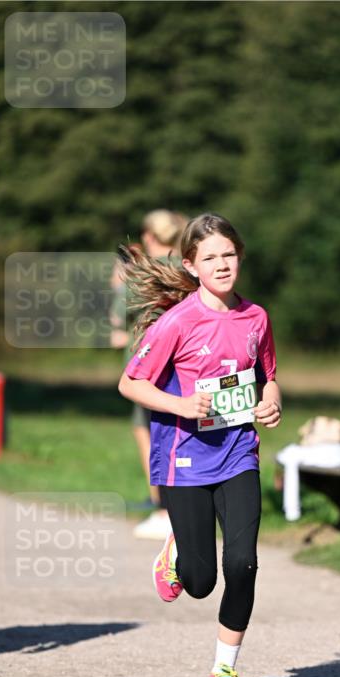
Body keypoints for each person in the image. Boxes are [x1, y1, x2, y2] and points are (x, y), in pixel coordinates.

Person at [118, 213, 282, 677]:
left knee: (244, 563)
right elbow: (131, 383)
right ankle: (177, 552)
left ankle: (224, 672)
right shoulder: (177, 322)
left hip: (238, 455)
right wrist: (181, 406)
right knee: (200, 581)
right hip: (183, 459)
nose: (222, 264)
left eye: (228, 254)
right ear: (190, 265)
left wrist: (272, 400)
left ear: (240, 257)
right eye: (209, 257)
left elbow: (267, 374)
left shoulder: (256, 318)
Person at [111, 211, 188, 539]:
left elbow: (118, 323)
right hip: (187, 363)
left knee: (151, 434)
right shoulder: (189, 266)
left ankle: (164, 510)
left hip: (149, 369)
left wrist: (117, 285)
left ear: (149, 236)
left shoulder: (143, 273)